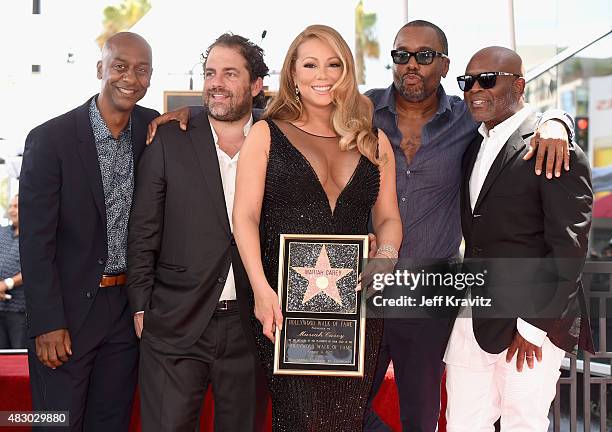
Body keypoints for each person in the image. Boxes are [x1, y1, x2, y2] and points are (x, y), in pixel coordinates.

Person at [363, 20, 576, 432]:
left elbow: (517, 113)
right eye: (401, 55)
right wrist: (200, 115)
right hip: (364, 284)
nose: (411, 64)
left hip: (429, 291)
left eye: (424, 56)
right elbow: (295, 120)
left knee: (423, 416)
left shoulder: (469, 119)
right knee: (341, 406)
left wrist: (557, 121)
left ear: (444, 66)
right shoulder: (362, 110)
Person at [231, 24, 402, 431]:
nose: (322, 75)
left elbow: (389, 217)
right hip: (282, 307)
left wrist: (386, 258)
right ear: (292, 73)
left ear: (347, 72)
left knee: (343, 419)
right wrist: (260, 290)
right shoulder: (265, 134)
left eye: (333, 64)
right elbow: (244, 217)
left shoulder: (374, 141)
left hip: (355, 307)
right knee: (300, 418)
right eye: (310, 65)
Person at [444, 46, 594, 432]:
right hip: (473, 311)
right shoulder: (473, 146)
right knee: (461, 422)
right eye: (467, 81)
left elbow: (569, 249)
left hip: (531, 324)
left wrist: (533, 327)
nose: (475, 89)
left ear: (520, 84)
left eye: (488, 79)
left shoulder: (554, 148)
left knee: (521, 426)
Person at [127, 33, 268, 432]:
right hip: (174, 325)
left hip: (250, 326)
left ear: (256, 85)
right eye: (209, 73)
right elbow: (143, 231)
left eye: (229, 73)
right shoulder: (169, 138)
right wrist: (141, 307)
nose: (216, 83)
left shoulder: (278, 141)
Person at [19, 32, 159, 431]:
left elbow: (205, 122)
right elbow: (34, 241)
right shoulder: (50, 139)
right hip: (66, 314)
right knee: (54, 423)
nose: (130, 77)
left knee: (110, 422)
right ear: (100, 69)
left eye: (142, 69)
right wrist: (46, 322)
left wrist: (187, 114)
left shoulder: (153, 128)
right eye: (120, 66)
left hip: (125, 310)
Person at [0, 194, 26, 349]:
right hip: (0, 306)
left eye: (16, 206)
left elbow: (34, 270)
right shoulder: (2, 233)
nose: (12, 210)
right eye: (11, 206)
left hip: (20, 311)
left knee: (19, 358)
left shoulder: (33, 236)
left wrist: (6, 284)